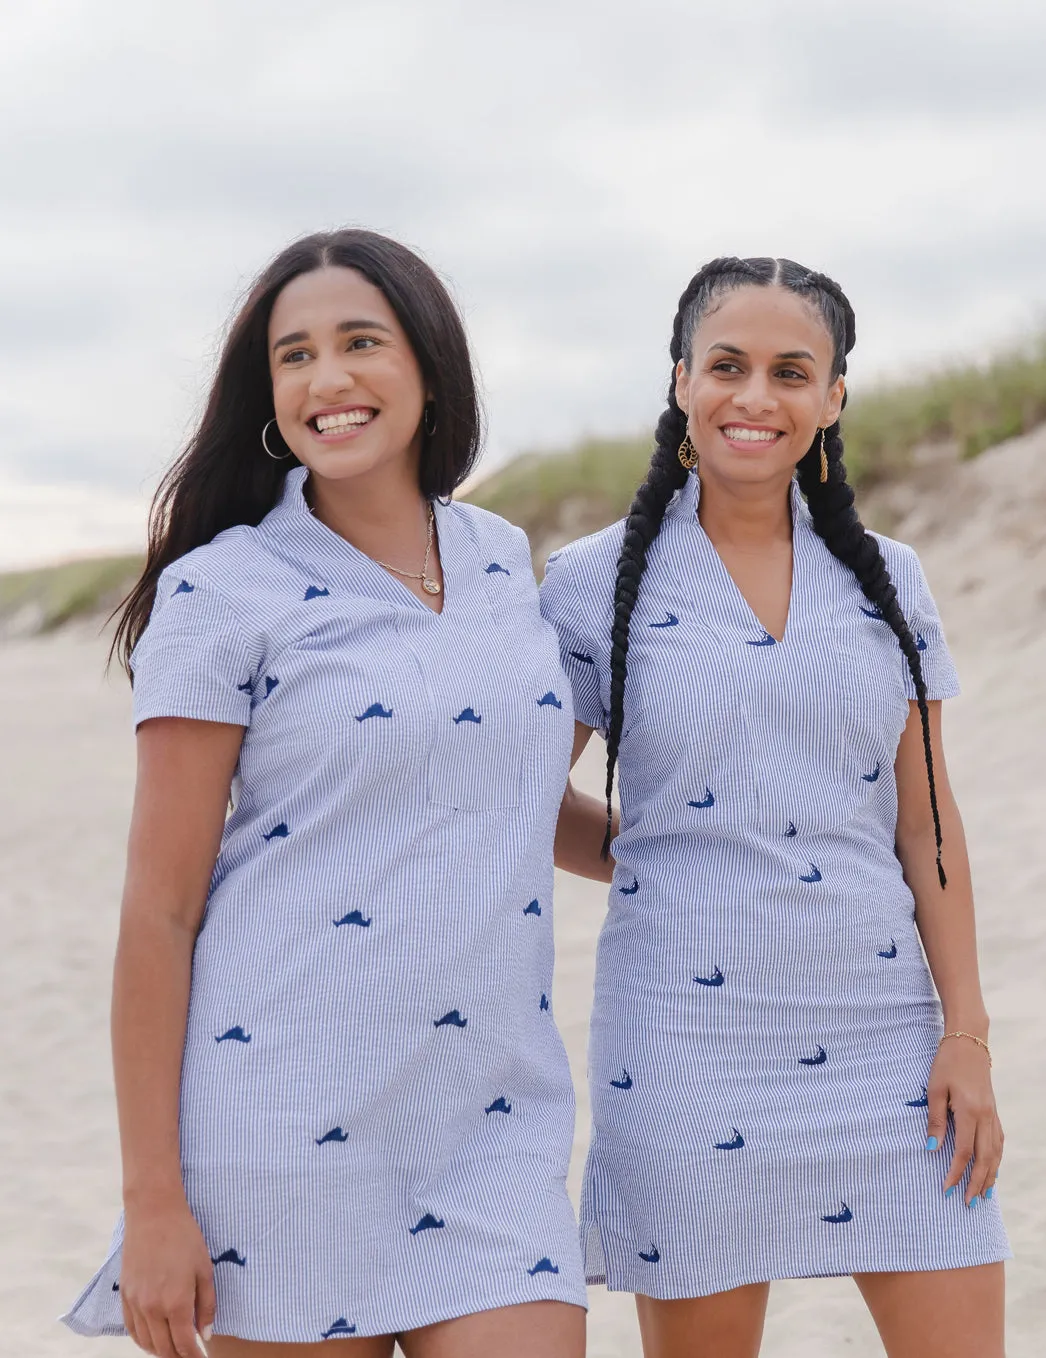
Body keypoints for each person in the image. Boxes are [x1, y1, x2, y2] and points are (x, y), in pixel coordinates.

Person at [62, 229, 587, 1358]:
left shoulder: (502, 558)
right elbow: (160, 911)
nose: (327, 379)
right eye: (293, 355)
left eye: (361, 342)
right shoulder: (223, 590)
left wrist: (698, 847)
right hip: (282, 1127)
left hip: (490, 1121)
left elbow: (504, 790)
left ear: (428, 367)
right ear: (267, 394)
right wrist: (154, 1200)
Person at [542, 257, 1010, 1358]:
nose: (755, 397)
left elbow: (926, 827)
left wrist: (967, 1033)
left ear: (832, 396)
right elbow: (516, 801)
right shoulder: (586, 579)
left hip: (884, 1037)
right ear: (680, 381)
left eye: (790, 371)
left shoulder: (890, 578)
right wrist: (662, 852)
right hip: (684, 1036)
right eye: (727, 366)